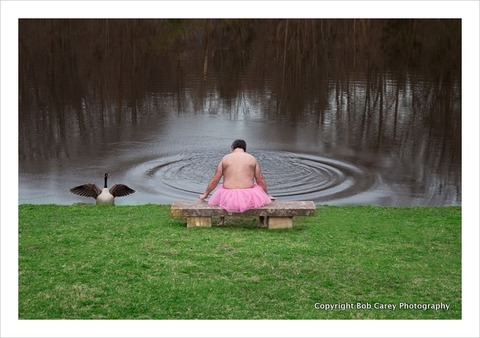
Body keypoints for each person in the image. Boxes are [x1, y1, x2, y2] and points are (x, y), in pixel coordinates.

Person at [199, 139, 274, 213]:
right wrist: (266, 195)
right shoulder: (252, 159)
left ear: (232, 147)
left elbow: (215, 180)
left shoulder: (225, 159)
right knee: (255, 187)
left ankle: (222, 221)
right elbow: (260, 180)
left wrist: (205, 194)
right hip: (248, 196)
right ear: (245, 148)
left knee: (221, 189)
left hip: (228, 196)